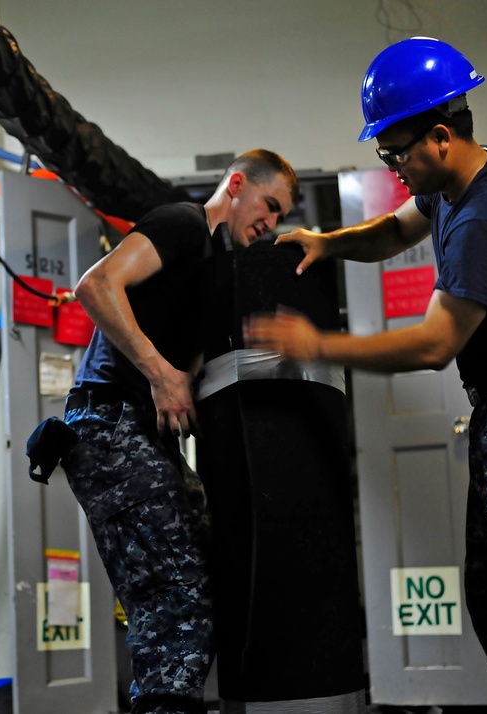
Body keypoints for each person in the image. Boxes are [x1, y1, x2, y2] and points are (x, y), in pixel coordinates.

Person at [247, 37, 487, 713]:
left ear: (442, 136)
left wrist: (316, 344)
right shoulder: (458, 184)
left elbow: (434, 343)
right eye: (383, 155)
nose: (392, 168)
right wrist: (325, 243)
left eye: (396, 153)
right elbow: (394, 232)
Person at [60, 150, 298, 714]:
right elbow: (95, 287)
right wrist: (162, 374)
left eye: (280, 216)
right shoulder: (184, 225)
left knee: (207, 579)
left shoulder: (216, 266)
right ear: (236, 185)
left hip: (145, 435)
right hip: (109, 421)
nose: (271, 224)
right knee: (176, 601)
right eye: (269, 206)